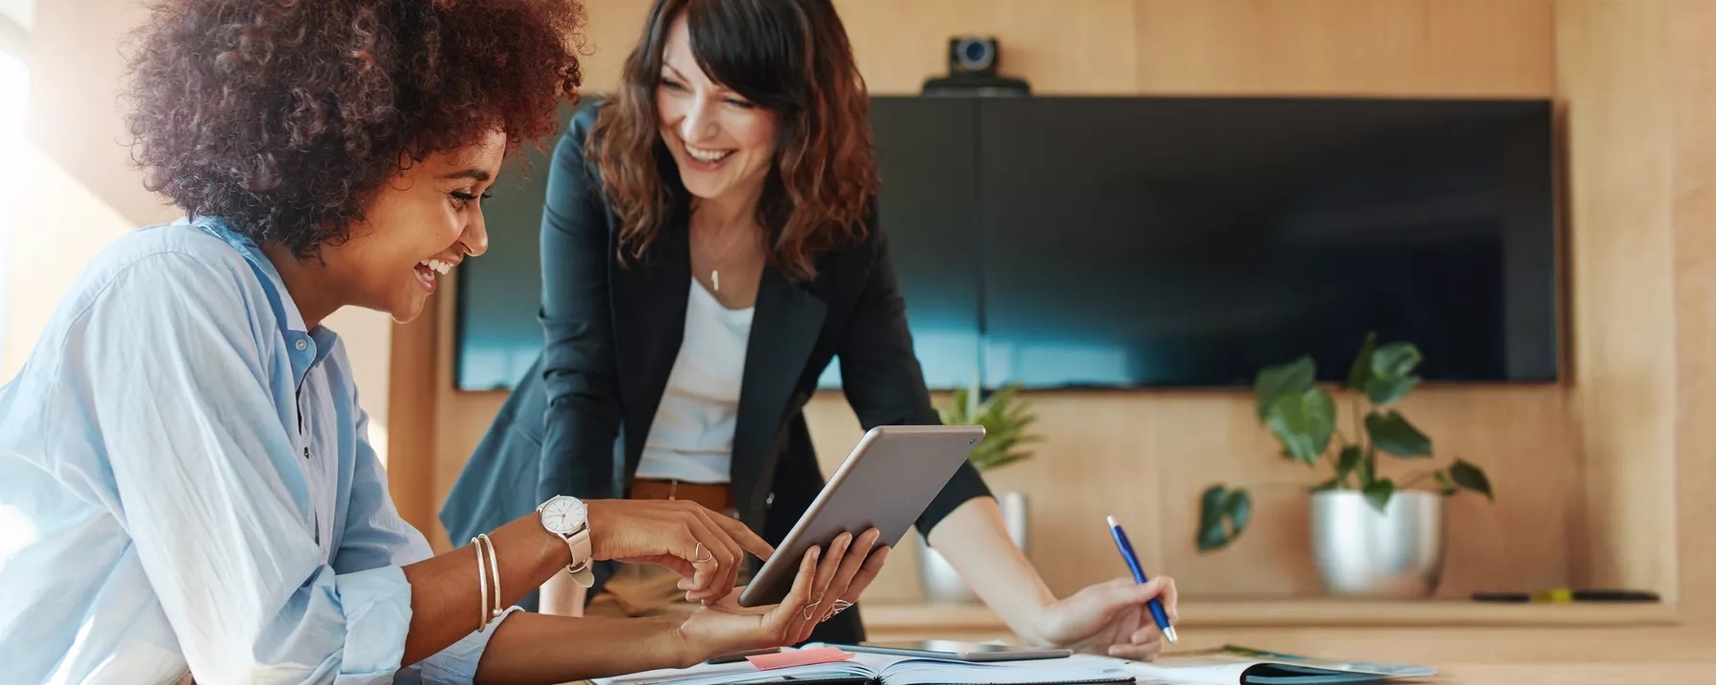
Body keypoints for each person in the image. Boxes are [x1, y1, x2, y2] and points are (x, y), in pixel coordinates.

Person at [0, 1, 886, 684]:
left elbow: (422, 639)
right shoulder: (173, 290)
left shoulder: (314, 367)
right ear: (346, 156)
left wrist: (690, 638)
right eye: (461, 194)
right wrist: (575, 526)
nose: (476, 237)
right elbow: (288, 657)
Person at [440, 0, 1179, 660]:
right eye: (675, 83)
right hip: (571, 551)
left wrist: (1046, 617)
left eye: (734, 97)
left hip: (733, 567)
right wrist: (559, 628)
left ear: (797, 105)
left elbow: (906, 424)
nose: (695, 125)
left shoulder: (837, 221)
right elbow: (582, 390)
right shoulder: (600, 159)